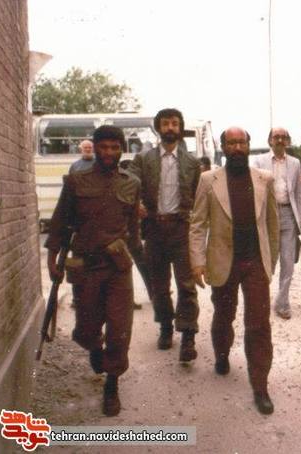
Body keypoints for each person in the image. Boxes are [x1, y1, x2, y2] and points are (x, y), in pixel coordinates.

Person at [45, 125, 141, 416]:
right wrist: (52, 258)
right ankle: (95, 349)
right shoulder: (77, 180)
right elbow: (60, 221)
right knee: (86, 329)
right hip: (86, 266)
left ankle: (112, 383)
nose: (109, 152)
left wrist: (137, 254)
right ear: (95, 148)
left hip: (117, 268)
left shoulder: (132, 183)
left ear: (122, 149)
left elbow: (133, 228)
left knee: (120, 329)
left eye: (115, 147)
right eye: (104, 147)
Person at [189, 126, 279, 414]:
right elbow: (197, 223)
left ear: (249, 145)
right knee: (223, 315)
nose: (237, 148)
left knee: (259, 324)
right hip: (222, 261)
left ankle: (260, 385)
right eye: (232, 143)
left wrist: (271, 261)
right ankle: (222, 353)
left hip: (255, 263)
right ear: (224, 147)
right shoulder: (208, 180)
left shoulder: (264, 179)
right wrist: (197, 261)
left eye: (242, 142)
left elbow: (273, 225)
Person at [128, 108, 201, 362]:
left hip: (181, 229)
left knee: (186, 284)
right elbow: (129, 183)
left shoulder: (192, 162)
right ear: (158, 128)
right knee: (159, 285)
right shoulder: (144, 159)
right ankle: (166, 327)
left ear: (180, 128)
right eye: (166, 123)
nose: (170, 127)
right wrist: (136, 203)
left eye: (175, 123)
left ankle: (188, 335)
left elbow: (198, 197)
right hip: (154, 229)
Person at [251, 127, 301, 320]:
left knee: (288, 263)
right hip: (268, 215)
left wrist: (300, 217)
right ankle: (261, 300)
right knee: (267, 260)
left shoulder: (295, 163)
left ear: (287, 141)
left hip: (288, 214)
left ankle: (282, 303)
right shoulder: (259, 161)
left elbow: (298, 192)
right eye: (276, 137)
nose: (280, 140)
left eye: (283, 137)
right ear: (270, 141)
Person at [118, 158, 152, 309]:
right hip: (123, 234)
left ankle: (153, 293)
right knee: (129, 266)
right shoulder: (121, 185)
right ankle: (129, 299)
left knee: (141, 264)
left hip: (132, 233)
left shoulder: (134, 184)